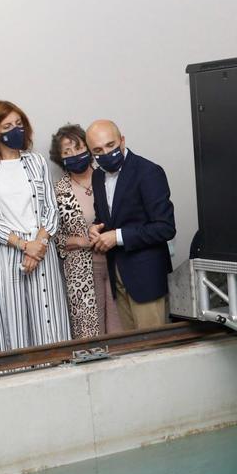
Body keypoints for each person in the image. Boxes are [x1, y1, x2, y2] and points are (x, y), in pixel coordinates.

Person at [0, 100, 71, 352]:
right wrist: (25, 246)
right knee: (11, 328)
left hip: (42, 250)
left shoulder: (36, 162)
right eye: (7, 125)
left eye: (19, 124)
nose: (16, 129)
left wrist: (38, 244)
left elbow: (50, 209)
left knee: (50, 325)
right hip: (6, 253)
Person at [85, 120, 175, 331]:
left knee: (153, 350)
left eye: (110, 145)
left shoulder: (148, 172)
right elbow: (106, 217)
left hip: (146, 279)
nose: (105, 153)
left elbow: (165, 227)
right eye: (97, 150)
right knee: (131, 350)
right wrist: (96, 228)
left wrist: (116, 236)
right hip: (118, 274)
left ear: (122, 140)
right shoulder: (98, 175)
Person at [49, 123, 117, 338]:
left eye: (78, 148)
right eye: (67, 152)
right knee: (89, 333)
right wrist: (81, 241)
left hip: (117, 263)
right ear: (60, 158)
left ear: (89, 149)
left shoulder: (108, 179)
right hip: (80, 270)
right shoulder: (57, 190)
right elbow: (53, 235)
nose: (74, 155)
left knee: (120, 328)